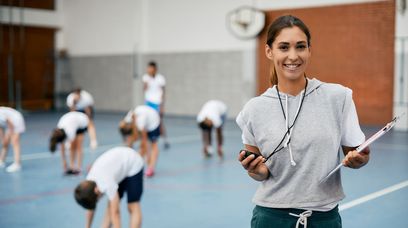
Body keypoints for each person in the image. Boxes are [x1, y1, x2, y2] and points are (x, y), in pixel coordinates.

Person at [236, 15, 370, 228]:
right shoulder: (253, 109)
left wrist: (359, 159)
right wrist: (254, 169)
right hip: (270, 219)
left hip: (324, 219)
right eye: (283, 47)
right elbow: (261, 173)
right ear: (269, 51)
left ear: (309, 50)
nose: (293, 56)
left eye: (300, 46)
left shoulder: (338, 97)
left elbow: (357, 153)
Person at [74, 146, 144, 228]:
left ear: (96, 190)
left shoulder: (107, 183)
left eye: (97, 200)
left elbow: (116, 213)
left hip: (133, 163)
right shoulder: (88, 183)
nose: (98, 201)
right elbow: (90, 207)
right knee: (110, 205)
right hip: (118, 169)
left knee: (132, 205)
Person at [119, 105, 160, 177]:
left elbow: (144, 144)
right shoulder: (126, 122)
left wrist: (148, 158)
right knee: (132, 145)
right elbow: (129, 141)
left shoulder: (140, 123)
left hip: (153, 121)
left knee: (153, 144)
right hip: (144, 118)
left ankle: (151, 168)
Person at [142, 61, 169, 149]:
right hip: (148, 103)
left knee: (159, 122)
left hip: (157, 103)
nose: (149, 69)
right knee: (147, 122)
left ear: (155, 69)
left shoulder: (160, 78)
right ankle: (147, 140)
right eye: (148, 68)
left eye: (151, 68)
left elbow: (163, 92)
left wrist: (162, 106)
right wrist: (147, 81)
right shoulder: (146, 77)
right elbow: (144, 89)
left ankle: (165, 140)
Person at [0, 106, 25, 172]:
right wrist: (3, 140)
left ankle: (17, 164)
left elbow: (10, 124)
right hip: (10, 124)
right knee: (5, 143)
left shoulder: (0, 113)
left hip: (16, 121)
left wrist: (11, 135)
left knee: (15, 142)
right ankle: (1, 161)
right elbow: (1, 129)